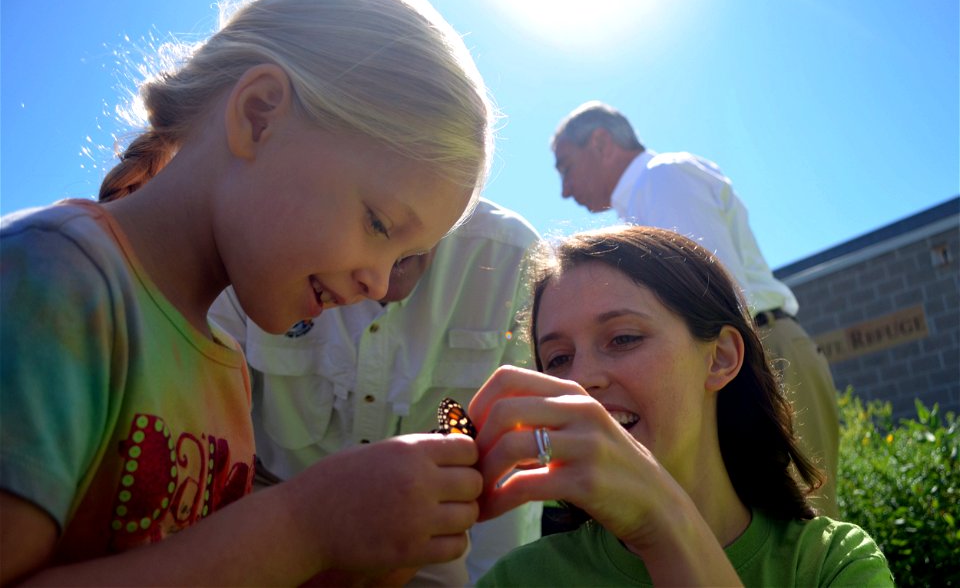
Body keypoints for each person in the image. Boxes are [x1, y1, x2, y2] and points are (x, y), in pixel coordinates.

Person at [0, 0, 495, 585]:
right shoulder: (53, 280)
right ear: (259, 115)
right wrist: (303, 526)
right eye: (378, 222)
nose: (378, 284)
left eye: (402, 260)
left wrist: (366, 554)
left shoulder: (227, 366)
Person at [469, 226, 893, 586]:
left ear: (721, 357)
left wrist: (662, 524)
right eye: (558, 359)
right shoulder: (520, 578)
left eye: (623, 339)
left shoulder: (829, 563)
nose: (580, 379)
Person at [208, 197, 544, 585]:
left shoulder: (512, 259)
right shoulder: (265, 231)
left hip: (422, 534)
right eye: (380, 224)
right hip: (266, 500)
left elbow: (513, 460)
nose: (381, 282)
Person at [550, 101, 841, 518]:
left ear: (600, 143)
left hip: (759, 357)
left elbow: (711, 298)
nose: (564, 189)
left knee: (795, 538)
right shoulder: (644, 196)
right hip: (734, 357)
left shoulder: (661, 180)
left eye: (565, 166)